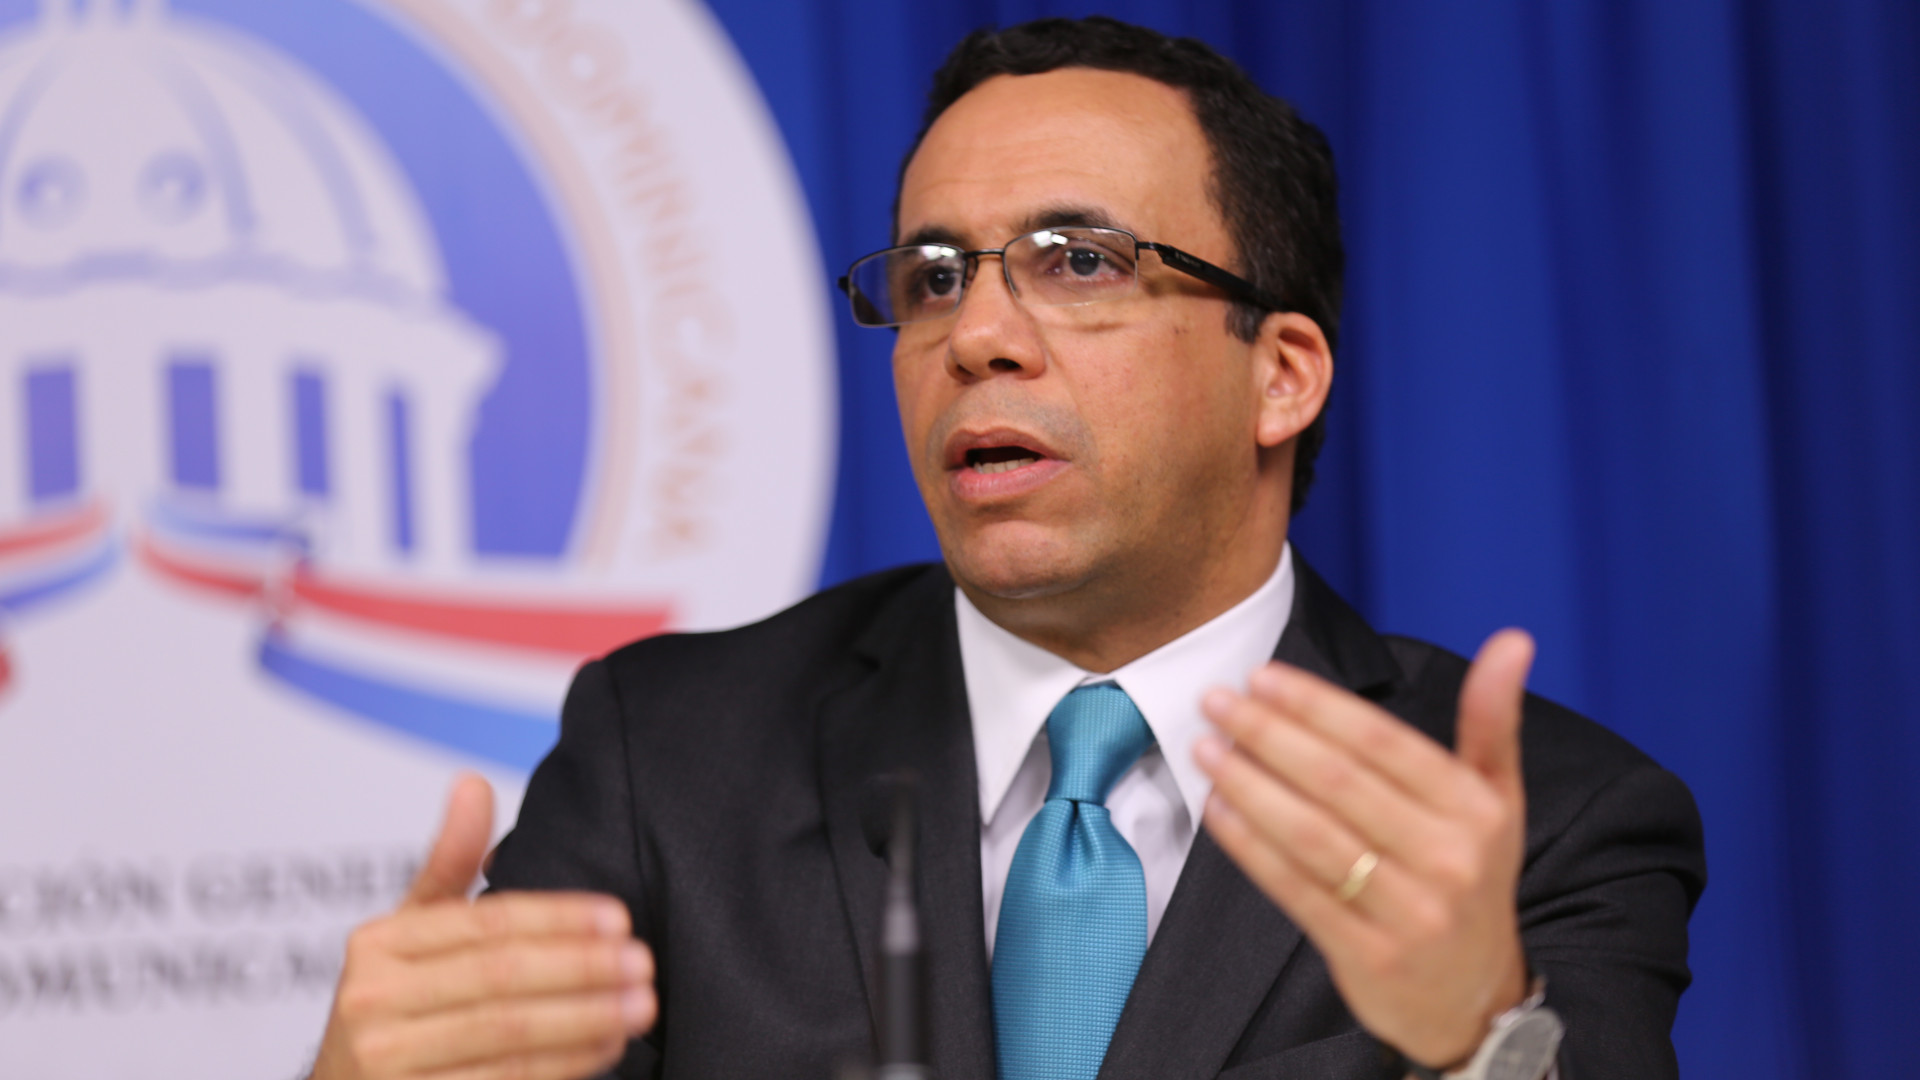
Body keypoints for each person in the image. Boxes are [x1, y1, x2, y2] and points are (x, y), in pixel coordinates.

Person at [308, 16, 1704, 1080]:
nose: (976, 335)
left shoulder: (1545, 823)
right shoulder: (668, 755)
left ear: (1280, 374)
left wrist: (1483, 1040)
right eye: (932, 278)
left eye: (1079, 261)